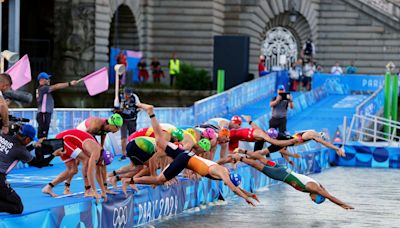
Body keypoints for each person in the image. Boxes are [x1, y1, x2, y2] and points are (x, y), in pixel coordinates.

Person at [121, 103, 258, 206]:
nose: (227, 184)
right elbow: (233, 188)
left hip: (186, 156)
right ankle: (130, 180)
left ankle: (151, 113)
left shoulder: (224, 172)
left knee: (160, 141)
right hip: (184, 160)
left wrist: (248, 193)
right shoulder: (222, 174)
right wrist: (246, 198)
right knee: (159, 180)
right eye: (229, 183)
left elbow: (234, 186)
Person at [229, 149, 354, 209]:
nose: (312, 200)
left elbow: (325, 192)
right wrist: (343, 205)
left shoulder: (316, 186)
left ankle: (242, 152)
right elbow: (330, 196)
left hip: (283, 169)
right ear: (318, 196)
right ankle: (239, 157)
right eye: (315, 200)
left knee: (262, 160)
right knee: (258, 165)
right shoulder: (313, 187)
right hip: (282, 175)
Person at [42, 129, 114, 202]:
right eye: (102, 164)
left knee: (73, 170)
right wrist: (94, 191)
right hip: (64, 139)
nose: (100, 166)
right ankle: (87, 190)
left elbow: (98, 174)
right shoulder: (96, 153)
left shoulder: (100, 155)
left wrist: (103, 191)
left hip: (68, 140)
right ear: (102, 158)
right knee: (86, 160)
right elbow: (90, 172)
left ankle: (48, 187)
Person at [0, 124, 38, 214]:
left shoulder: (3, 135)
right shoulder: (21, 150)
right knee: (18, 207)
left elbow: (13, 150)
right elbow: (38, 163)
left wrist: (33, 146)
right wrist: (54, 154)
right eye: (31, 141)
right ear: (28, 139)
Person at [36, 72, 78, 139]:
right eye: (47, 79)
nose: (49, 80)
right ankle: (41, 147)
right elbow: (56, 86)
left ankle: (42, 146)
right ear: (41, 80)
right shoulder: (43, 88)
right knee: (42, 135)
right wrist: (69, 84)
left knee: (43, 134)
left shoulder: (42, 89)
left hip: (44, 114)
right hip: (43, 113)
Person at [253, 84, 294, 151]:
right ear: (277, 91)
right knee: (268, 135)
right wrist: (277, 100)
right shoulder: (274, 98)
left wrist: (291, 100)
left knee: (283, 135)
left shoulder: (287, 99)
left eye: (282, 90)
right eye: (280, 90)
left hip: (282, 120)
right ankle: (267, 149)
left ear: (284, 90)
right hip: (274, 119)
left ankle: (283, 150)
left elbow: (292, 107)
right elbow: (271, 105)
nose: (281, 91)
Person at [114, 87, 140, 160]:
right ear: (124, 93)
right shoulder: (119, 98)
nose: (127, 96)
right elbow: (115, 108)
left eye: (129, 94)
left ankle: (134, 152)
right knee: (123, 137)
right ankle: (124, 153)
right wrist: (121, 110)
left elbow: (139, 106)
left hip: (132, 119)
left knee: (133, 136)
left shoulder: (134, 97)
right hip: (123, 120)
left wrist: (136, 110)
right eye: (126, 94)